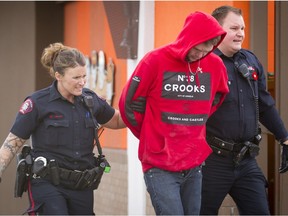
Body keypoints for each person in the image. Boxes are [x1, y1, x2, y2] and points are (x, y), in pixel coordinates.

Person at [119, 11, 229, 215]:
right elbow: (129, 104)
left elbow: (217, 97)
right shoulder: (155, 60)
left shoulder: (215, 65)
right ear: (188, 39)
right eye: (197, 49)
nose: (200, 55)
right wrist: (151, 135)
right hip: (159, 164)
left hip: (194, 162)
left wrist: (195, 123)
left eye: (206, 51)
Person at [0, 42, 126, 215]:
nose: (82, 82)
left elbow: (118, 120)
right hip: (47, 182)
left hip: (82, 183)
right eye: (76, 78)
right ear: (58, 75)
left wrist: (147, 110)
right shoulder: (38, 102)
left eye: (84, 76)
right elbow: (12, 142)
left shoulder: (90, 99)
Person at [200, 5, 288, 215]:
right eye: (234, 28)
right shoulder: (204, 63)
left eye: (243, 28)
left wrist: (284, 137)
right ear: (217, 30)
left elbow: (265, 105)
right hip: (212, 161)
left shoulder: (251, 61)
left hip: (246, 160)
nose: (240, 33)